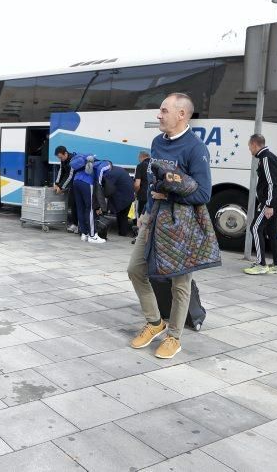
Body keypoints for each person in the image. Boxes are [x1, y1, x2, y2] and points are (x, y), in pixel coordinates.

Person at [126, 93, 212, 359]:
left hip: (181, 225)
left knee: (180, 284)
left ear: (181, 114)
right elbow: (154, 185)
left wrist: (171, 195)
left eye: (164, 110)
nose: (159, 115)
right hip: (154, 219)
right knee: (135, 270)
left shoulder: (196, 148)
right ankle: (155, 323)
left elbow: (204, 194)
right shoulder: (157, 143)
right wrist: (147, 213)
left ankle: (174, 337)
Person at [243, 134, 277, 275]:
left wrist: (268, 205)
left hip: (269, 203)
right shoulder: (269, 157)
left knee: (255, 228)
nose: (250, 150)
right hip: (274, 202)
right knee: (272, 233)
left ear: (255, 145)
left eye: (250, 147)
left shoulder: (266, 158)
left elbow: (272, 184)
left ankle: (261, 264)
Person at [69, 151, 106, 244]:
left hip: (76, 182)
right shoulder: (98, 164)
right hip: (87, 183)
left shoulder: (80, 165)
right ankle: (93, 236)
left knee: (80, 209)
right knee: (90, 209)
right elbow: (99, 179)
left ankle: (84, 234)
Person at [94, 161, 135, 236]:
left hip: (123, 198)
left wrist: (102, 206)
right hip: (129, 195)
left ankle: (122, 234)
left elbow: (109, 190)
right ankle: (122, 233)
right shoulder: (118, 169)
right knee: (122, 216)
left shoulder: (110, 174)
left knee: (122, 216)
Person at [53, 145, 78, 233]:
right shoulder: (63, 160)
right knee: (72, 203)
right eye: (59, 158)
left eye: (61, 157)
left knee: (77, 204)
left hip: (78, 184)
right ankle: (75, 224)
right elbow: (61, 171)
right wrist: (56, 183)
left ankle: (78, 225)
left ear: (66, 153)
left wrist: (61, 187)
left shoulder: (73, 160)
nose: (60, 159)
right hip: (73, 184)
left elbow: (70, 176)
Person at [134, 151, 150, 219]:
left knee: (141, 216)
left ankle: (140, 229)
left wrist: (135, 192)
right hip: (153, 195)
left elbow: (137, 184)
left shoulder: (140, 166)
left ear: (141, 157)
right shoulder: (154, 164)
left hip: (143, 195)